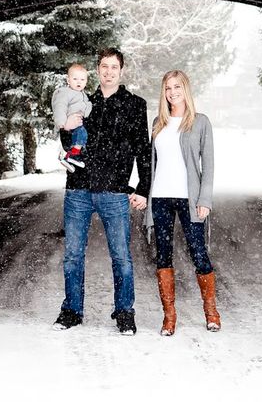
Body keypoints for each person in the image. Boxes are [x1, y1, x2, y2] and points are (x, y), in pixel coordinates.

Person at [53, 47, 151, 335]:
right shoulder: (82, 100)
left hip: (114, 192)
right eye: (104, 66)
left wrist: (144, 188)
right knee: (72, 255)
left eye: (114, 67)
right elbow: (67, 138)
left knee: (121, 256)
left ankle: (124, 312)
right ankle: (72, 310)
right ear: (97, 69)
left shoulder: (134, 105)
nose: (108, 71)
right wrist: (66, 127)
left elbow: (143, 150)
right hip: (79, 190)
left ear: (121, 71)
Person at [145, 70, 221, 336]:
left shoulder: (200, 122)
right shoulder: (158, 122)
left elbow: (208, 165)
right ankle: (169, 317)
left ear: (185, 89)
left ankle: (211, 312)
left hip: (189, 198)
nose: (172, 92)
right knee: (163, 255)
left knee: (198, 252)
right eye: (167, 88)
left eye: (177, 87)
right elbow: (152, 164)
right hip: (161, 198)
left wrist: (205, 198)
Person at [51, 63, 92, 172]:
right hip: (70, 124)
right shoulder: (64, 93)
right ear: (68, 80)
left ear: (86, 82)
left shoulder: (83, 95)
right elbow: (60, 106)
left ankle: (70, 157)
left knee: (83, 137)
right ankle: (71, 155)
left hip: (78, 123)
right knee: (82, 134)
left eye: (82, 79)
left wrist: (89, 110)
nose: (79, 82)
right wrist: (62, 123)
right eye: (75, 79)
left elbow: (87, 107)